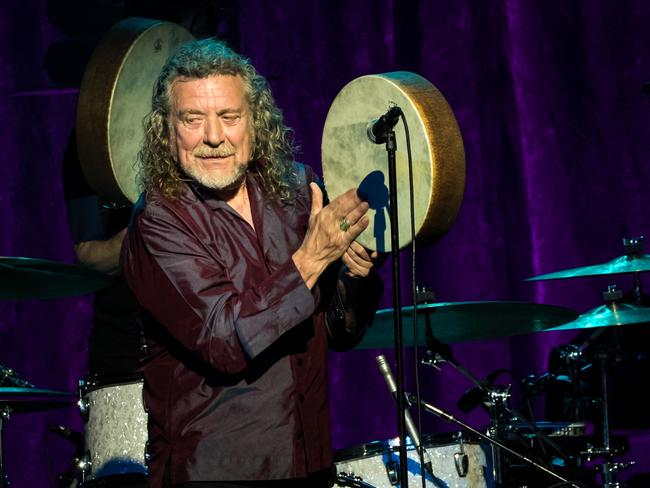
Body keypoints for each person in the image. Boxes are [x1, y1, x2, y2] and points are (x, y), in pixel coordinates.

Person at [121, 38, 383, 487]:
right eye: (192, 119)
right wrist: (313, 257)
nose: (214, 137)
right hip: (218, 468)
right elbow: (224, 340)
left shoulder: (297, 188)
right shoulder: (158, 221)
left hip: (309, 458)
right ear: (167, 130)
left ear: (254, 123)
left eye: (229, 117)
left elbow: (339, 332)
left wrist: (356, 277)